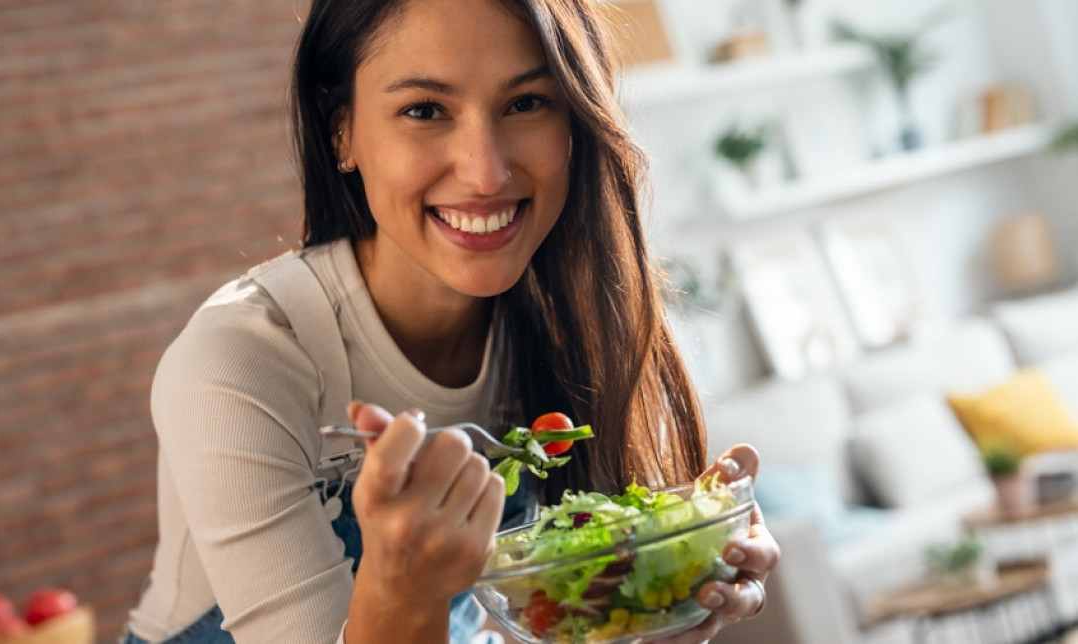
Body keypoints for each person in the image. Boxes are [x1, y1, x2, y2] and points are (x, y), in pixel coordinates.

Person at [122, 0, 780, 642]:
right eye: (424, 110)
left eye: (526, 103)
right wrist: (401, 587)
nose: (485, 172)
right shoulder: (239, 361)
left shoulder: (570, 323)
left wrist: (662, 594)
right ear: (340, 129)